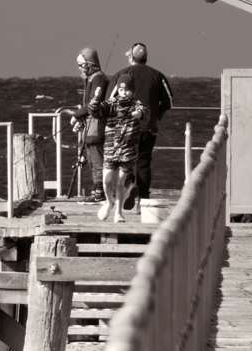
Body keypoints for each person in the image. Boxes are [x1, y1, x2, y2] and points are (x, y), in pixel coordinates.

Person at [106, 43, 174, 208]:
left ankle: (129, 186)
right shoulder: (158, 75)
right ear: (145, 58)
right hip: (148, 127)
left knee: (126, 160)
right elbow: (169, 101)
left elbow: (109, 100)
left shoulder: (122, 74)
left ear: (131, 58)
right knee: (144, 162)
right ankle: (143, 198)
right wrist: (155, 116)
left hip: (126, 128)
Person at [97, 76, 146, 224]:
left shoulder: (137, 104)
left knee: (120, 182)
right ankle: (108, 201)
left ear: (132, 90)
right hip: (111, 148)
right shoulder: (112, 103)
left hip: (127, 150)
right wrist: (96, 98)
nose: (123, 93)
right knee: (106, 180)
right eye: (121, 89)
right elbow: (96, 111)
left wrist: (140, 114)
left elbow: (145, 112)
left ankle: (118, 213)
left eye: (127, 90)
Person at [69, 47, 108, 199]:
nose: (80, 68)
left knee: (97, 160)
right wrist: (82, 120)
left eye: (81, 64)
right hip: (89, 125)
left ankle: (100, 191)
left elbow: (93, 103)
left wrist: (76, 115)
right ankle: (96, 189)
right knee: (91, 160)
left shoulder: (98, 78)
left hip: (97, 126)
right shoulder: (90, 78)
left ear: (89, 63)